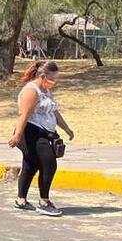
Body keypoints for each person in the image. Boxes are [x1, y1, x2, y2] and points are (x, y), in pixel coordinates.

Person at [9, 60, 74, 217]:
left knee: (30, 166)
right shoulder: (31, 91)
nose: (55, 81)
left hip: (44, 133)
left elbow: (55, 112)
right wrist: (17, 136)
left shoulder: (45, 91)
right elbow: (24, 115)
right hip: (29, 132)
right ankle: (44, 202)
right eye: (53, 78)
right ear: (44, 76)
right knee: (49, 163)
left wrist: (67, 129)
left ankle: (21, 200)